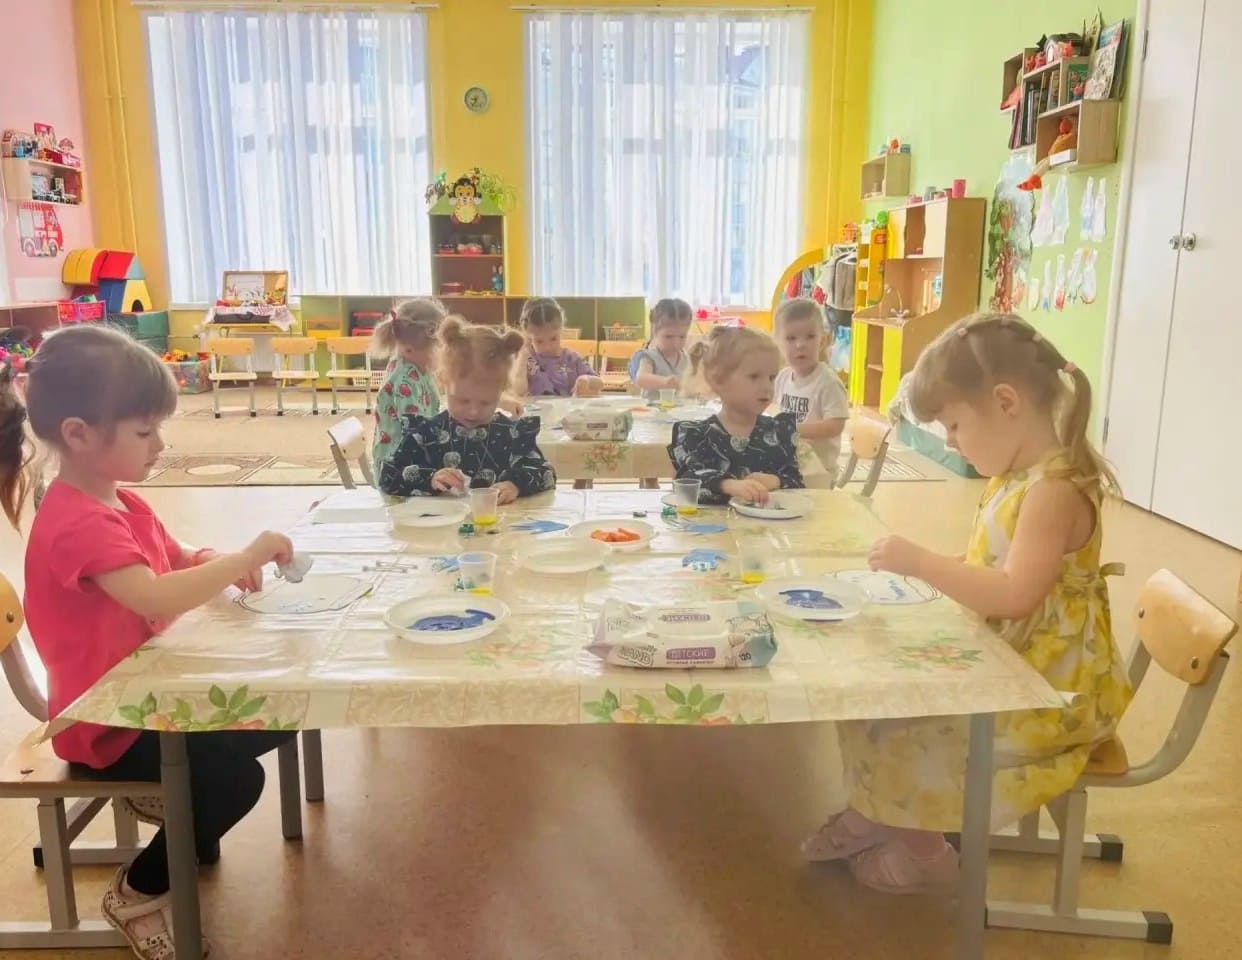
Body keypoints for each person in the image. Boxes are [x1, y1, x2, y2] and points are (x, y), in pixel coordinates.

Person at [802, 313, 1133, 895]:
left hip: (1053, 692)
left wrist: (923, 564)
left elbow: (1015, 594)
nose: (950, 441)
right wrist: (935, 572)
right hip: (1012, 662)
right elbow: (992, 564)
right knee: (872, 699)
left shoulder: (1052, 492)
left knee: (908, 730)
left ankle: (927, 854)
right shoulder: (1016, 476)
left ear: (1006, 403)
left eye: (953, 424)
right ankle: (881, 811)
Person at [0, 325, 295, 958]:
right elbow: (154, 596)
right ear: (79, 434)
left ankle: (185, 815)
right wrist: (245, 554)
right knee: (236, 781)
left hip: (146, 694)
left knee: (282, 714)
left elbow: (174, 557)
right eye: (144, 432)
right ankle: (137, 890)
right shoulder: (77, 523)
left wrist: (213, 560)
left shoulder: (119, 503)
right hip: (106, 720)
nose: (161, 444)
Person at [378, 317, 556, 502]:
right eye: (462, 401)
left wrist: (516, 484)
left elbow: (546, 473)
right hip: (440, 521)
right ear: (443, 382)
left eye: (485, 403)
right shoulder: (425, 435)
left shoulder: (512, 436)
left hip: (502, 520)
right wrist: (429, 478)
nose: (473, 412)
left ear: (501, 392)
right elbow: (388, 476)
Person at [667, 326, 803, 505]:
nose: (767, 387)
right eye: (754, 377)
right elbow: (687, 483)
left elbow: (797, 482)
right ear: (718, 380)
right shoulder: (697, 436)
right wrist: (728, 485)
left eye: (771, 378)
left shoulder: (779, 432)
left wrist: (776, 481)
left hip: (766, 523)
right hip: (713, 523)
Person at [772, 297, 849, 483]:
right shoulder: (782, 378)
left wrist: (793, 430)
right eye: (791, 338)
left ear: (822, 341)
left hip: (817, 471)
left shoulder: (828, 383)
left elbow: (835, 426)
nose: (800, 345)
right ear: (778, 343)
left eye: (810, 337)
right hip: (791, 463)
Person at [371, 297, 446, 472]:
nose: (441, 356)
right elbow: (416, 431)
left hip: (411, 458)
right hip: (398, 469)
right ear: (409, 349)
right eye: (438, 349)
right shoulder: (405, 380)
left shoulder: (416, 366)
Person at [510, 297, 600, 397]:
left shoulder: (572, 358)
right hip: (536, 407)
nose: (547, 347)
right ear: (528, 336)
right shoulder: (529, 360)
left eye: (553, 339)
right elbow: (518, 391)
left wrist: (587, 380)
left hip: (568, 407)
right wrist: (523, 355)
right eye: (539, 341)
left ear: (561, 329)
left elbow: (599, 383)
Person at [631, 298, 693, 400]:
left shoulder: (687, 359)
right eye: (669, 337)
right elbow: (641, 379)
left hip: (681, 408)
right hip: (652, 409)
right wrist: (666, 382)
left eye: (682, 336)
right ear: (655, 333)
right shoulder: (650, 357)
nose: (676, 342)